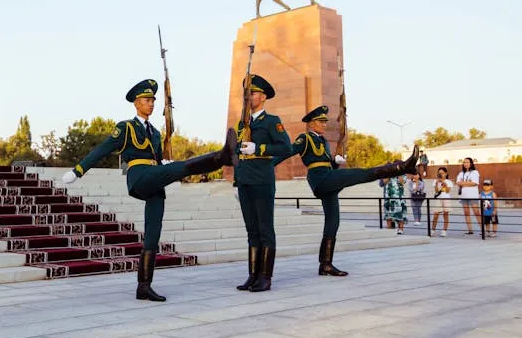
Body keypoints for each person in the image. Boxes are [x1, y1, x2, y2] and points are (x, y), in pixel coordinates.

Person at [61, 79, 239, 302]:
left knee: (153, 232)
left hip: (155, 179)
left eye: (153, 100)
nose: (151, 104)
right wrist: (78, 171)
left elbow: (156, 159)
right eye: (147, 100)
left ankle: (144, 286)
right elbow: (102, 150)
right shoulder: (125, 127)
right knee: (180, 168)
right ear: (136, 103)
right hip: (140, 178)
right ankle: (221, 157)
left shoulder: (155, 133)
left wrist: (163, 163)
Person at [273, 106, 421, 277]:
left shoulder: (323, 141)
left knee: (333, 222)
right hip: (320, 180)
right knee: (361, 174)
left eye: (324, 122)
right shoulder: (304, 139)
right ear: (312, 124)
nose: (324, 125)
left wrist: (335, 161)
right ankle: (401, 167)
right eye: (321, 122)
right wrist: (266, 167)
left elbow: (327, 163)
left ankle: (325, 265)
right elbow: (287, 152)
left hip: (329, 178)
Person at [233, 74, 294, 293]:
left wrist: (259, 149)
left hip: (262, 180)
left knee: (265, 229)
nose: (249, 97)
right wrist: (236, 181)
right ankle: (252, 275)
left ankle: (265, 277)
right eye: (247, 94)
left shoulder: (271, 121)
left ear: (264, 97)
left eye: (254, 93)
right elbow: (237, 154)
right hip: (245, 180)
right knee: (252, 230)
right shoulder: (243, 123)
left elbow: (286, 148)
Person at [456, 157, 482, 235]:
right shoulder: (461, 173)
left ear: (471, 163)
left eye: (467, 162)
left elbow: (474, 183)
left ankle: (483, 229)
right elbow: (458, 182)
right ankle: (470, 230)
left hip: (473, 195)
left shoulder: (475, 172)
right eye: (464, 162)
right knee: (466, 213)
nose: (465, 164)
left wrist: (463, 183)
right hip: (464, 196)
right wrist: (468, 182)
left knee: (476, 212)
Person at [431, 167, 453, 237]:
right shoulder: (435, 181)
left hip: (446, 199)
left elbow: (447, 191)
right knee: (435, 215)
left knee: (445, 215)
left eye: (442, 173)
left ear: (446, 173)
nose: (441, 174)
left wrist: (444, 183)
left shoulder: (449, 181)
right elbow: (436, 191)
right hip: (439, 199)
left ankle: (444, 230)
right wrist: (437, 182)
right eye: (439, 173)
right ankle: (432, 230)